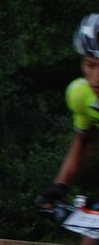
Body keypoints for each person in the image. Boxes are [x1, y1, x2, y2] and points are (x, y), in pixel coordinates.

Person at [37, 14, 99, 209]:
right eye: (90, 65)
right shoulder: (80, 94)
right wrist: (60, 187)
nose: (96, 78)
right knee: (91, 235)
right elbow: (85, 141)